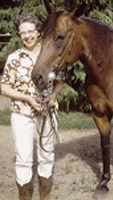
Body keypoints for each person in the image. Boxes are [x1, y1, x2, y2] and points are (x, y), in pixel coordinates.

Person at [1, 13, 65, 200]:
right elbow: (4, 87)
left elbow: (60, 81)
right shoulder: (14, 58)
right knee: (24, 160)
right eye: (23, 33)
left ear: (38, 32)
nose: (27, 36)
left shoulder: (50, 54)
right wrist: (27, 98)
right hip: (22, 114)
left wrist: (54, 96)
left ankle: (44, 196)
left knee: (47, 156)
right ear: (19, 35)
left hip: (47, 114)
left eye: (31, 31)